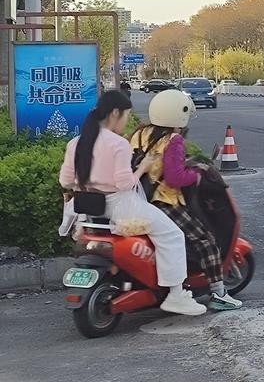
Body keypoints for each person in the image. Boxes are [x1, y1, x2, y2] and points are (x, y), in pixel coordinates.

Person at [59, 90, 205, 316]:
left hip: (86, 210)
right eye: (126, 115)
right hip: (120, 206)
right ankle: (176, 295)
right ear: (115, 113)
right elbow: (125, 184)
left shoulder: (75, 143)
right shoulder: (118, 144)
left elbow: (66, 181)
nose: (126, 121)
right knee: (172, 235)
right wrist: (143, 167)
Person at [131, 89, 242, 311]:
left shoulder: (140, 133)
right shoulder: (173, 140)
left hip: (138, 199)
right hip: (164, 201)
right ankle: (219, 293)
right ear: (179, 114)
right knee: (205, 240)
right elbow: (175, 178)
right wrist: (197, 175)